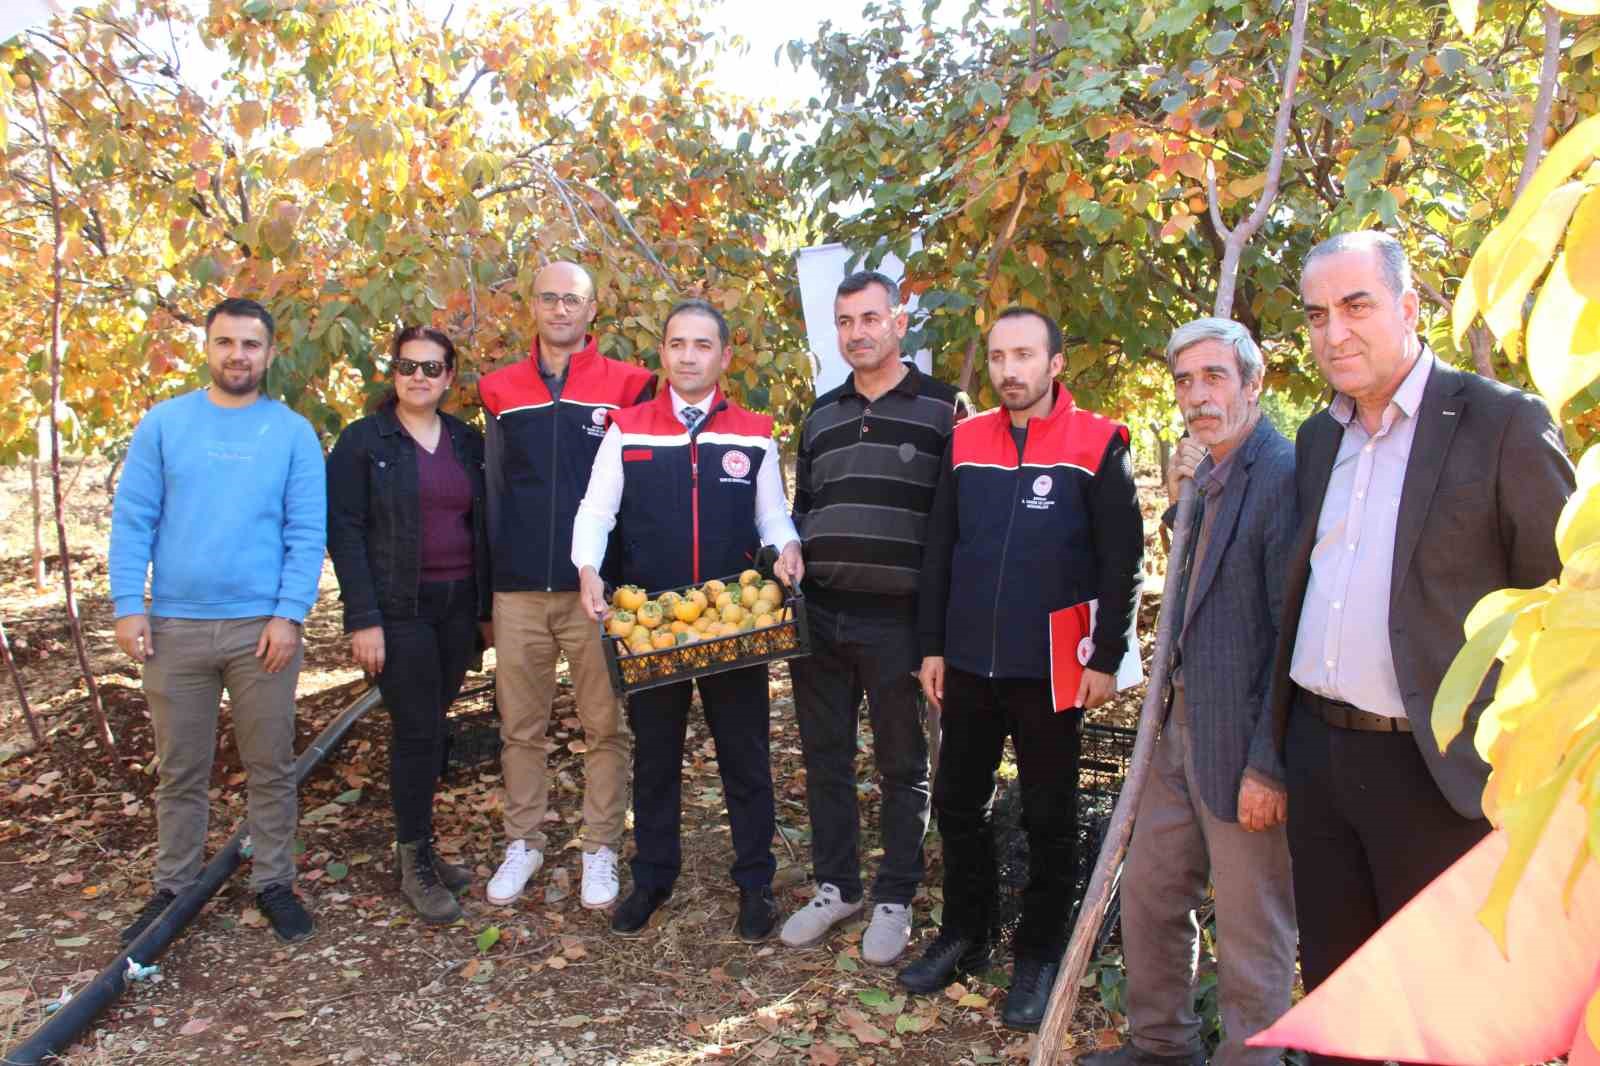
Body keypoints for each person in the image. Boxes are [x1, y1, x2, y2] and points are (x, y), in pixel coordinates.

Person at [1269, 231, 1574, 1064]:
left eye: (1357, 306)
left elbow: (1568, 607)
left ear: (1409, 307)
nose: (1335, 332)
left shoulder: (1502, 424)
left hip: (1442, 780)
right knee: (1340, 1003)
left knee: (1450, 1022)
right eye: (1317, 315)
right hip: (1322, 760)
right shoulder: (1317, 439)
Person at [908, 306, 1144, 1030]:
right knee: (958, 804)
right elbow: (941, 550)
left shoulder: (1099, 442)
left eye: (1024, 356)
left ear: (1055, 363)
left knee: (1049, 815)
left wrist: (1106, 657)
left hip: (1052, 669)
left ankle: (1039, 953)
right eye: (999, 357)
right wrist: (932, 646)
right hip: (970, 663)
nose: (1010, 370)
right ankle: (965, 933)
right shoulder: (964, 441)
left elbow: (1122, 561)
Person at [1081, 318, 1297, 1066]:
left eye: (1214, 377)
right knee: (1149, 896)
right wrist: (1181, 502)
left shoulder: (1280, 474)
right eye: (1184, 381)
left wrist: (1269, 765)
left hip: (1241, 743)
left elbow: (1287, 637)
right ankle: (1162, 1049)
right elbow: (1200, 581)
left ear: (1253, 383)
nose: (1197, 396)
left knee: (1252, 928)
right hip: (1176, 727)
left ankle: (1252, 1061)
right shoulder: (1209, 471)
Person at [573, 298, 804, 942]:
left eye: (703, 345)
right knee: (656, 757)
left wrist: (787, 547)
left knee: (746, 756)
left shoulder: (753, 430)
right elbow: (597, 512)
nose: (688, 355)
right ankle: (652, 877)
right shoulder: (630, 426)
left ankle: (755, 881)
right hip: (651, 626)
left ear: (724, 356)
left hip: (732, 623)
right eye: (678, 344)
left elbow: (771, 516)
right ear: (664, 354)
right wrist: (589, 569)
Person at [109, 297, 325, 945]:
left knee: (270, 764)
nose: (238, 355)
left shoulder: (291, 432)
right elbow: (134, 519)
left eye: (250, 344)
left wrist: (289, 614)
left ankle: (274, 882)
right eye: (226, 342)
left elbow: (305, 532)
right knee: (179, 768)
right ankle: (173, 888)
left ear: (269, 353)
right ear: (207, 348)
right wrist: (128, 606)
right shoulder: (165, 424)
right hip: (174, 628)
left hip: (262, 629)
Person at [780, 270, 958, 965]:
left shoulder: (946, 409)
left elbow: (957, 527)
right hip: (819, 616)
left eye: (870, 318)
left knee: (901, 764)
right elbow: (803, 511)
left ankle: (894, 896)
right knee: (825, 758)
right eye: (845, 321)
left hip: (899, 621)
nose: (857, 332)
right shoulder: (820, 415)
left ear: (899, 323)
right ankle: (837, 886)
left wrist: (937, 634)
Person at [477, 261, 656, 910]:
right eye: (548, 299)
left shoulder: (632, 385)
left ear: (591, 309)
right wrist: (487, 594)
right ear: (532, 306)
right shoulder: (498, 389)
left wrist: (629, 584)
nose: (559, 310)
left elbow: (640, 492)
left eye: (571, 300)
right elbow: (492, 493)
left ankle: (601, 847)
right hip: (519, 589)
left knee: (605, 727)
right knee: (520, 728)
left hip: (596, 592)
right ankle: (523, 841)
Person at [326, 326, 490, 925]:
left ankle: (423, 845)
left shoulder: (467, 441)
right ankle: (413, 859)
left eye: (432, 366)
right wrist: (363, 618)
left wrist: (485, 611)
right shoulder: (364, 443)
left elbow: (484, 523)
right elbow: (344, 532)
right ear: (392, 373)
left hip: (456, 609)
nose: (418, 376)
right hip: (399, 609)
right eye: (407, 365)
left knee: (435, 722)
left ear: (449, 377)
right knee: (417, 730)